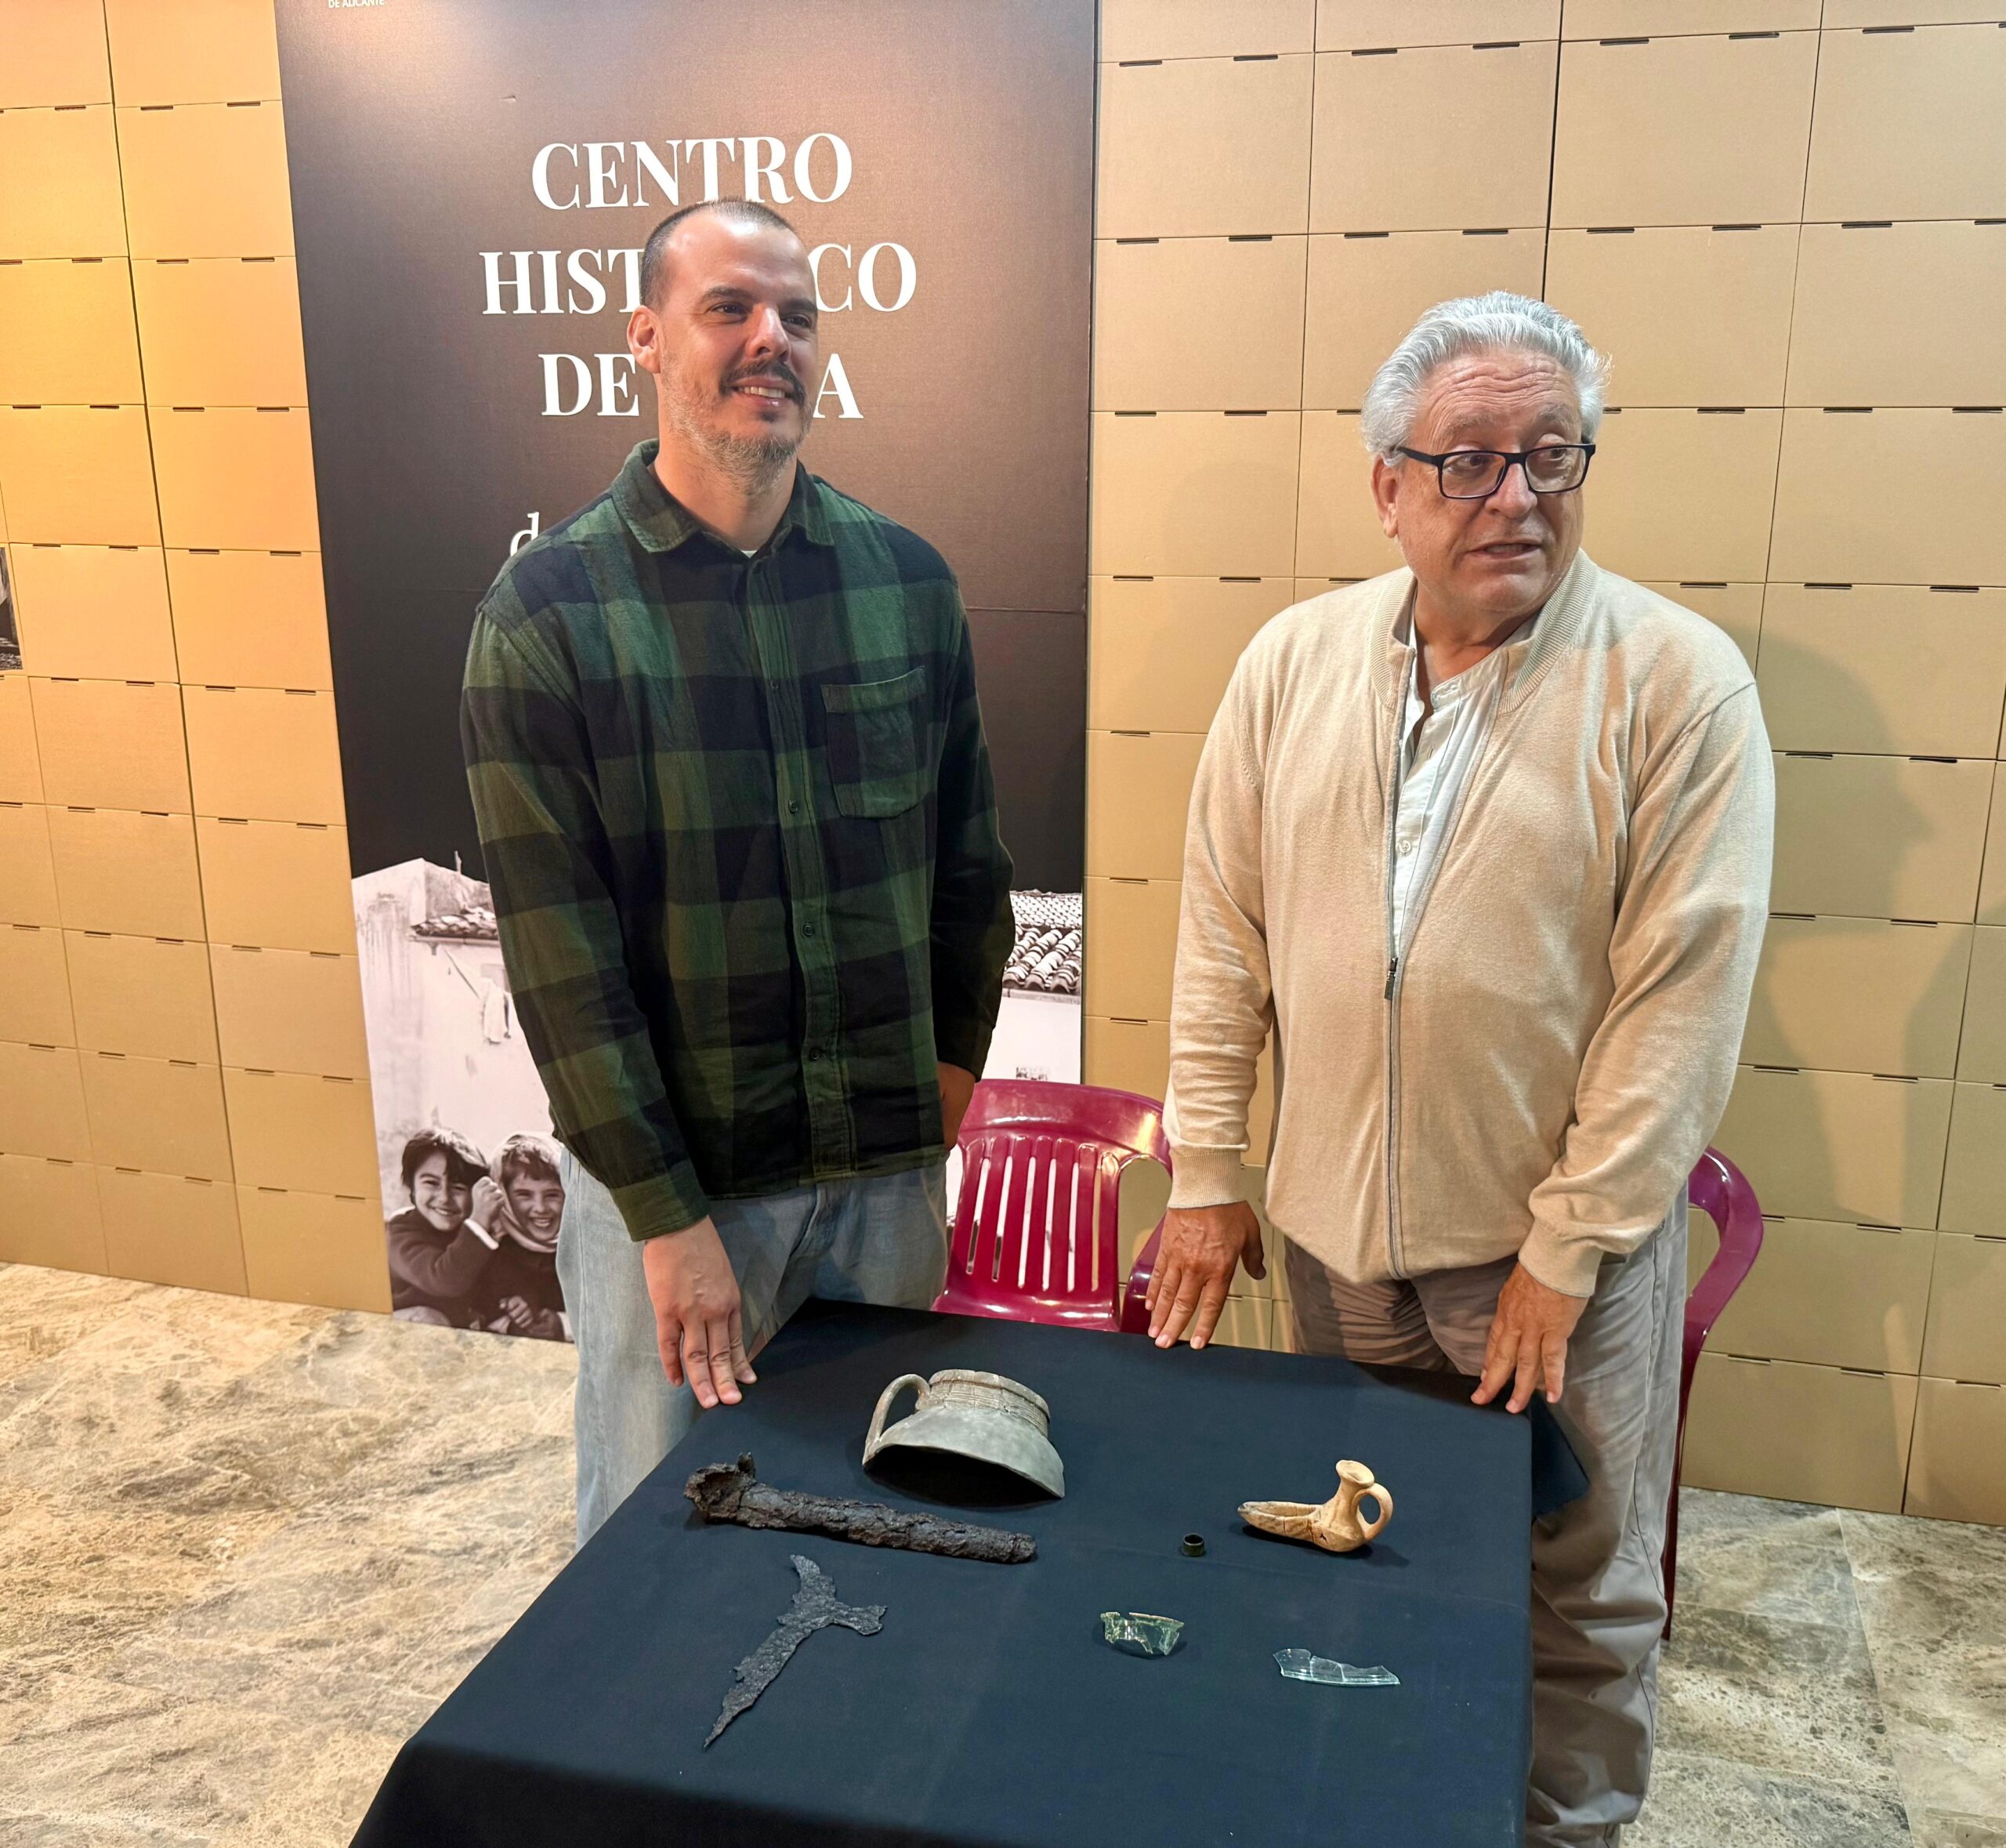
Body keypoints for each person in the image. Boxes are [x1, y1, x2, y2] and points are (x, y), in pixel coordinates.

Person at [1147, 292, 1773, 1845]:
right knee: (1361, 1540)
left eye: (1552, 455)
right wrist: (1209, 1168)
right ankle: (1387, 1802)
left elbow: (1678, 1005)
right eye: (1470, 460)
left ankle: (1564, 1828)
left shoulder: (1676, 683)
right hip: (1333, 1252)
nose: (1516, 496)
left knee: (1576, 1591)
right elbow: (1222, 934)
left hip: (1545, 1269)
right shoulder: (1291, 663)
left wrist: (1571, 1244)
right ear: (1388, 485)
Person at [462, 197, 1016, 1543]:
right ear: (647, 339)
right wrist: (666, 1219)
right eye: (731, 309)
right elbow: (563, 966)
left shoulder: (907, 584)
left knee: (879, 1526)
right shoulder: (547, 618)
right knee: (654, 1542)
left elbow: (968, 874)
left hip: (883, 1192)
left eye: (798, 316)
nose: (773, 339)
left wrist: (940, 1092)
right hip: (681, 1198)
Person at [385, 1126, 494, 1327]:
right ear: (412, 1187)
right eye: (431, 1183)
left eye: (458, 1187)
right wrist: (479, 1222)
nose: (444, 1197)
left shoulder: (472, 1230)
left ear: (475, 1195)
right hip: (406, 1328)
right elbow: (445, 1279)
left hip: (457, 1329)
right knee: (429, 1318)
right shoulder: (400, 1230)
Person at [470, 1132, 569, 1341]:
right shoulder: (491, 1251)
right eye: (524, 1195)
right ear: (504, 1196)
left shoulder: (581, 1248)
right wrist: (511, 1323)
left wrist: (563, 1324)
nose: (540, 1208)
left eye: (552, 1195)